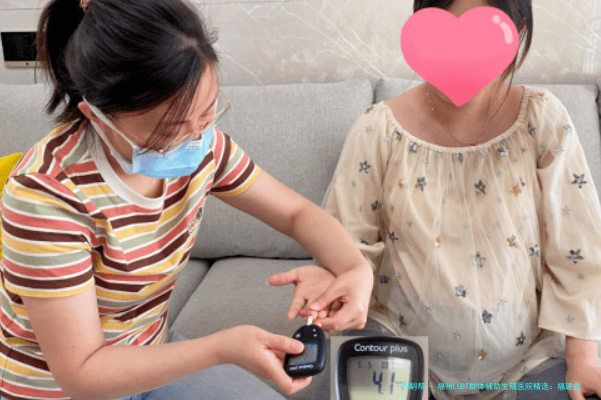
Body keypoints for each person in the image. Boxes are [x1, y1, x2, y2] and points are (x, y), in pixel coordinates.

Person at [0, 0, 374, 399]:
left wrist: (355, 268)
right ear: (97, 117)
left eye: (208, 114)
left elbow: (296, 214)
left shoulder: (201, 145)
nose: (196, 139)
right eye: (169, 131)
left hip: (152, 354)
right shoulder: (46, 197)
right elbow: (82, 373)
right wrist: (221, 348)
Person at [281, 0, 601, 399]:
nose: (459, 57)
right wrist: (335, 281)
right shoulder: (378, 128)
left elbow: (577, 247)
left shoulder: (543, 119)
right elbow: (346, 241)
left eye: (482, 38)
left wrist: (583, 356)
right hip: (398, 341)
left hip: (528, 358)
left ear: (517, 34)